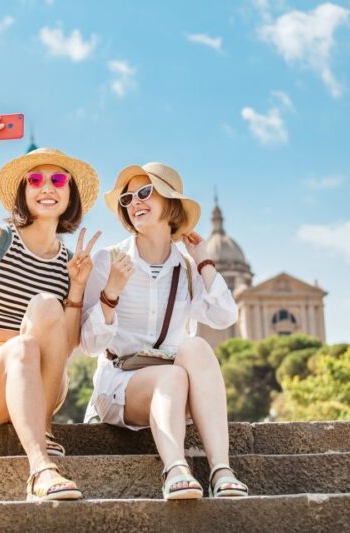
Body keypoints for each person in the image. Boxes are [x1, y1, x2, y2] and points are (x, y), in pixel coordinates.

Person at [0, 113, 101, 501]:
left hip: (41, 382)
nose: (46, 187)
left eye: (57, 180)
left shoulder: (70, 263)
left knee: (48, 309)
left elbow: (63, 349)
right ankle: (40, 469)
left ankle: (42, 430)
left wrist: (78, 288)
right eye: (35, 180)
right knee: (20, 347)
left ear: (70, 195)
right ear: (23, 193)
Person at [81, 162, 249, 500]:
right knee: (171, 377)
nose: (135, 202)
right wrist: (111, 292)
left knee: (197, 346)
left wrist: (203, 261)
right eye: (128, 198)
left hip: (176, 387)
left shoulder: (186, 268)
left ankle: (222, 470)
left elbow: (226, 315)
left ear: (170, 203)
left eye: (145, 192)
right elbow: (88, 344)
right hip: (120, 384)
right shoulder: (107, 260)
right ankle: (175, 468)